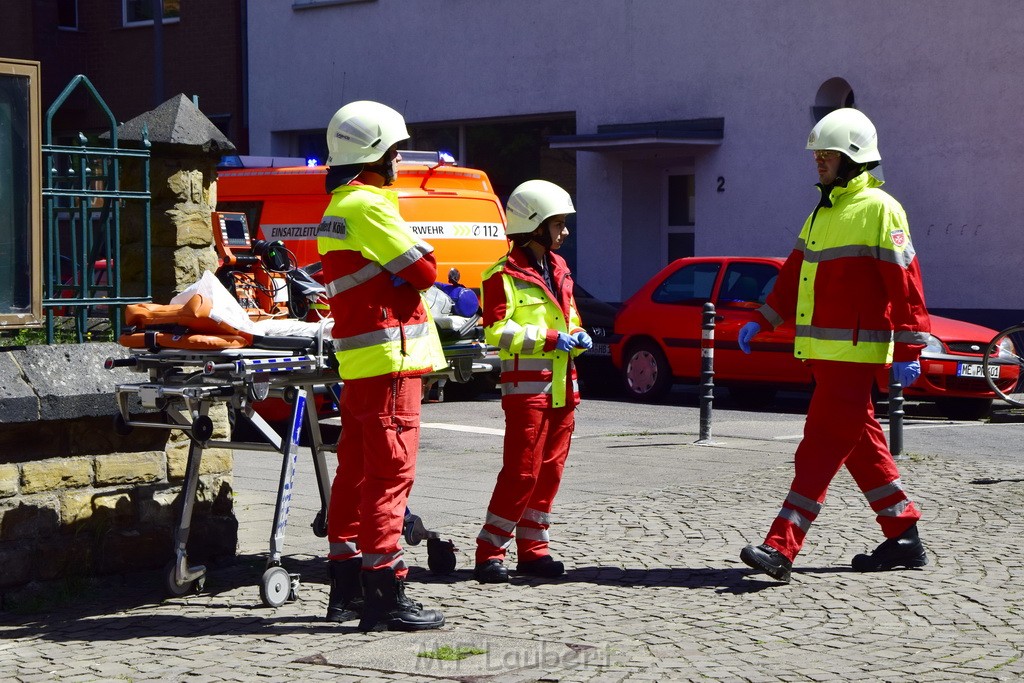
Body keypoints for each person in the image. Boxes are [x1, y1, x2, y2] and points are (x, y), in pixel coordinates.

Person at [737, 108, 931, 583]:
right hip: (825, 354)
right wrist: (763, 317)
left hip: (855, 354)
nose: (817, 162)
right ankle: (903, 533)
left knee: (819, 447)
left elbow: (905, 282)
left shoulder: (881, 209)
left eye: (826, 155)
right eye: (817, 155)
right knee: (861, 444)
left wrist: (909, 348)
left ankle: (781, 547)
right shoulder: (822, 212)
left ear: (853, 157)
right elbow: (793, 275)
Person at [317, 100, 447, 630]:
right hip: (392, 361)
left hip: (362, 364)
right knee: (390, 476)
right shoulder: (370, 205)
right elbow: (426, 269)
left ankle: (345, 587)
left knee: (353, 474)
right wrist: (412, 264)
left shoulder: (338, 207)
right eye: (395, 151)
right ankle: (386, 594)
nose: (399, 162)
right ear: (375, 155)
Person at [473, 179, 592, 584]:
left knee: (550, 472)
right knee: (521, 473)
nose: (565, 232)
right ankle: (490, 552)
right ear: (536, 225)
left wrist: (578, 334)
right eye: (559, 224)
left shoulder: (559, 268)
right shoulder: (501, 274)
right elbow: (496, 333)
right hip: (528, 390)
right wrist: (554, 339)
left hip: (563, 385)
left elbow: (568, 315)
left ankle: (534, 550)